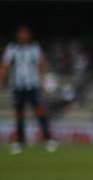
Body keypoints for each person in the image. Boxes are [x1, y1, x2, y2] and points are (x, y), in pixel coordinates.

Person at [2, 25, 56, 153]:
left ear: (28, 35)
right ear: (18, 35)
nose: (23, 36)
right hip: (18, 86)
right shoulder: (12, 48)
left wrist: (42, 82)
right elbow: (5, 66)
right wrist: (1, 79)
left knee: (40, 112)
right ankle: (20, 142)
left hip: (32, 85)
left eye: (25, 33)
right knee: (19, 114)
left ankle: (48, 139)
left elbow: (40, 65)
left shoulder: (34, 48)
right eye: (21, 33)